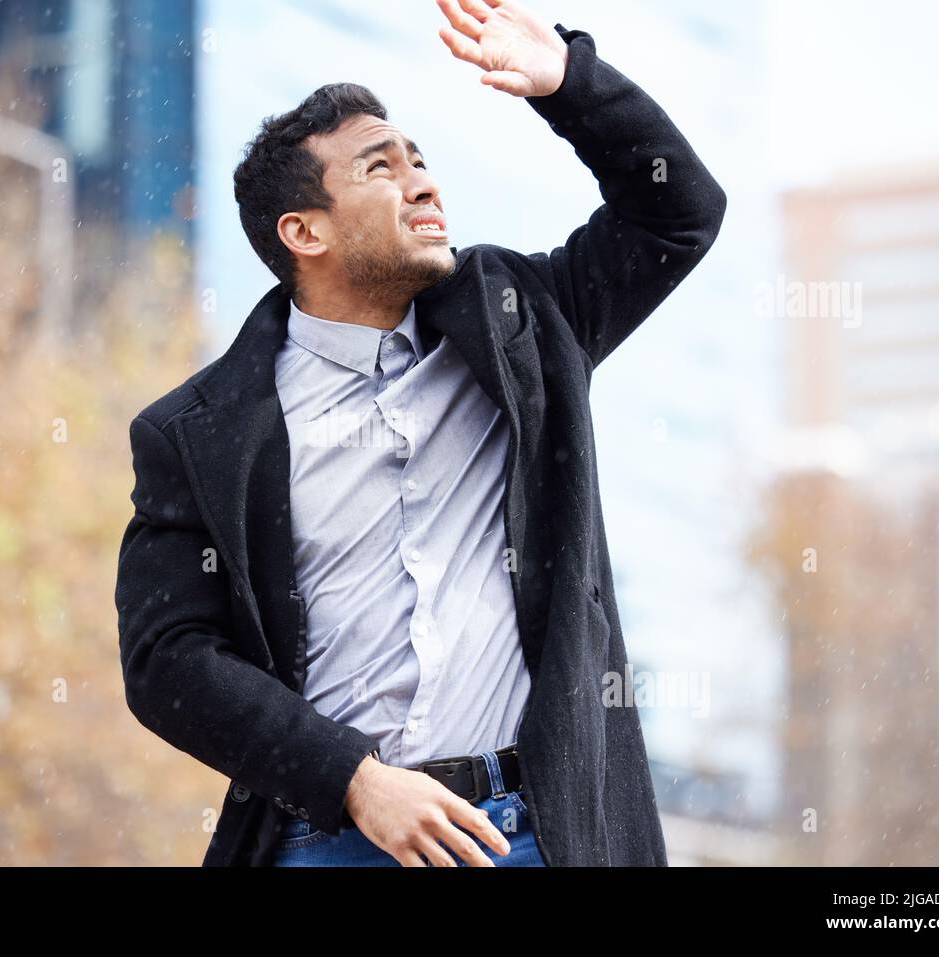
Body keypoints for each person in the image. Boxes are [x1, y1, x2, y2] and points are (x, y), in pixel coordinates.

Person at [115, 0, 726, 867]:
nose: (424, 183)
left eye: (422, 161)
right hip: (331, 837)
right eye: (380, 169)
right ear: (304, 231)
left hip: (536, 835)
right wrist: (354, 780)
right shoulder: (196, 434)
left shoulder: (524, 323)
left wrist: (569, 82)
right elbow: (167, 662)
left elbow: (680, 214)